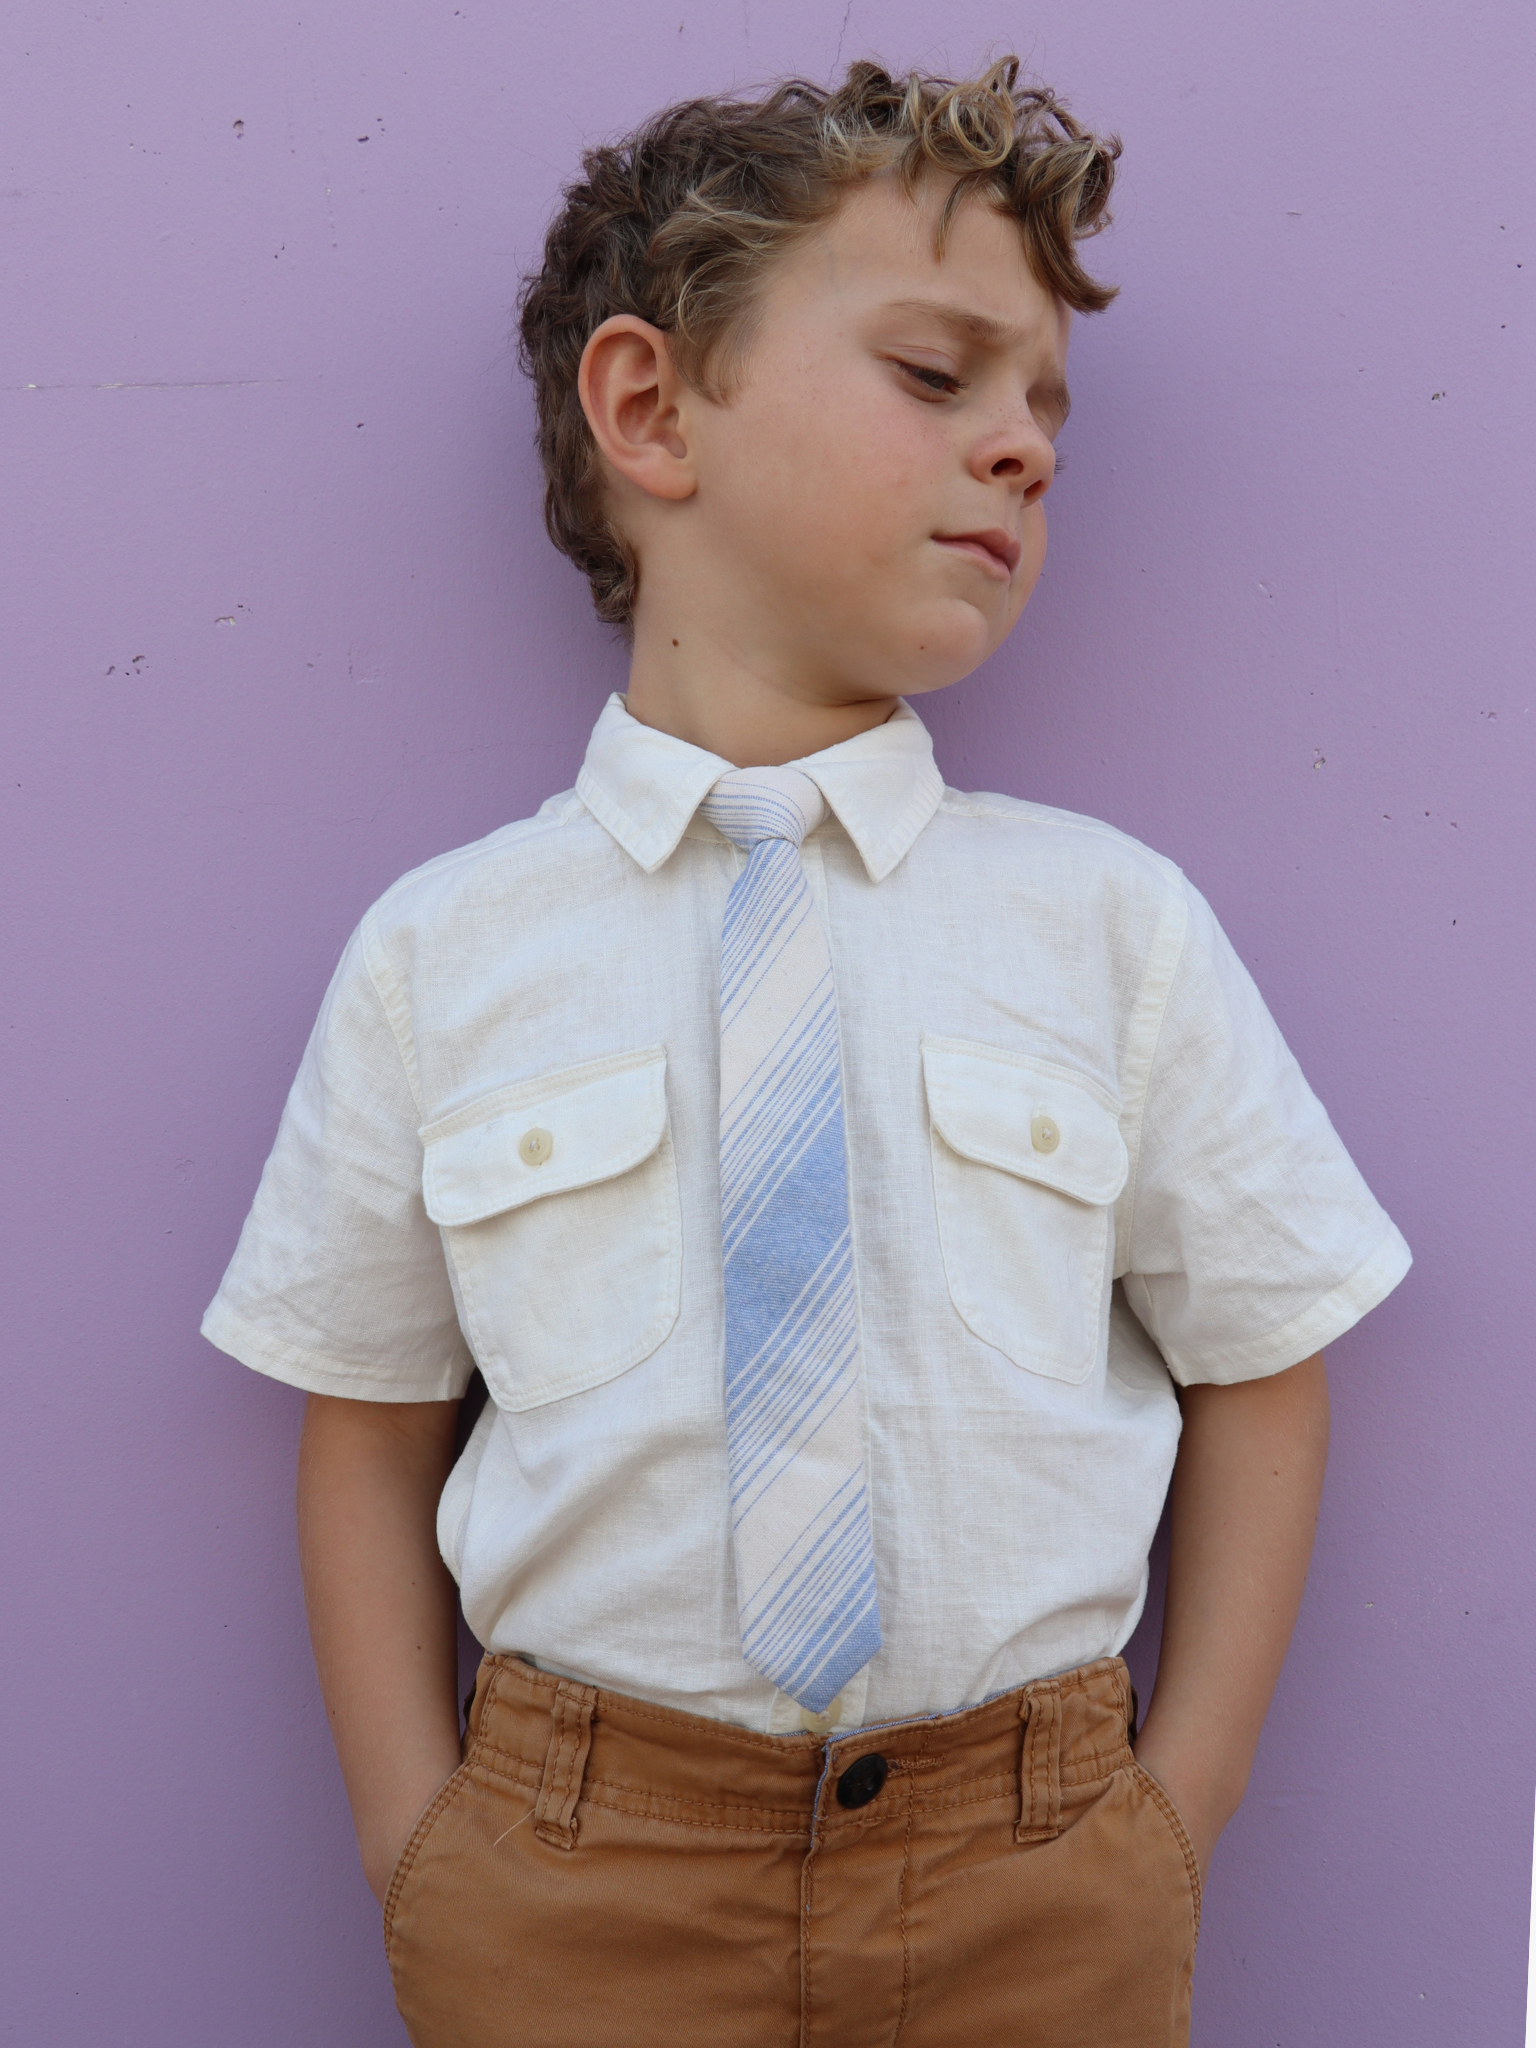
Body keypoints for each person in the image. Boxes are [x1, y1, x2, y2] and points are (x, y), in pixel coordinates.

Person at [202, 57, 1410, 2047]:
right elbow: (367, 1417)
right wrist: (415, 1850)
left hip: (1034, 1876)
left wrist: (1172, 1824)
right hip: (579, 1881)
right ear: (652, 409)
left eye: (1045, 412)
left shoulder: (1108, 927)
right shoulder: (447, 954)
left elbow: (1265, 1358)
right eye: (941, 377)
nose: (1019, 447)